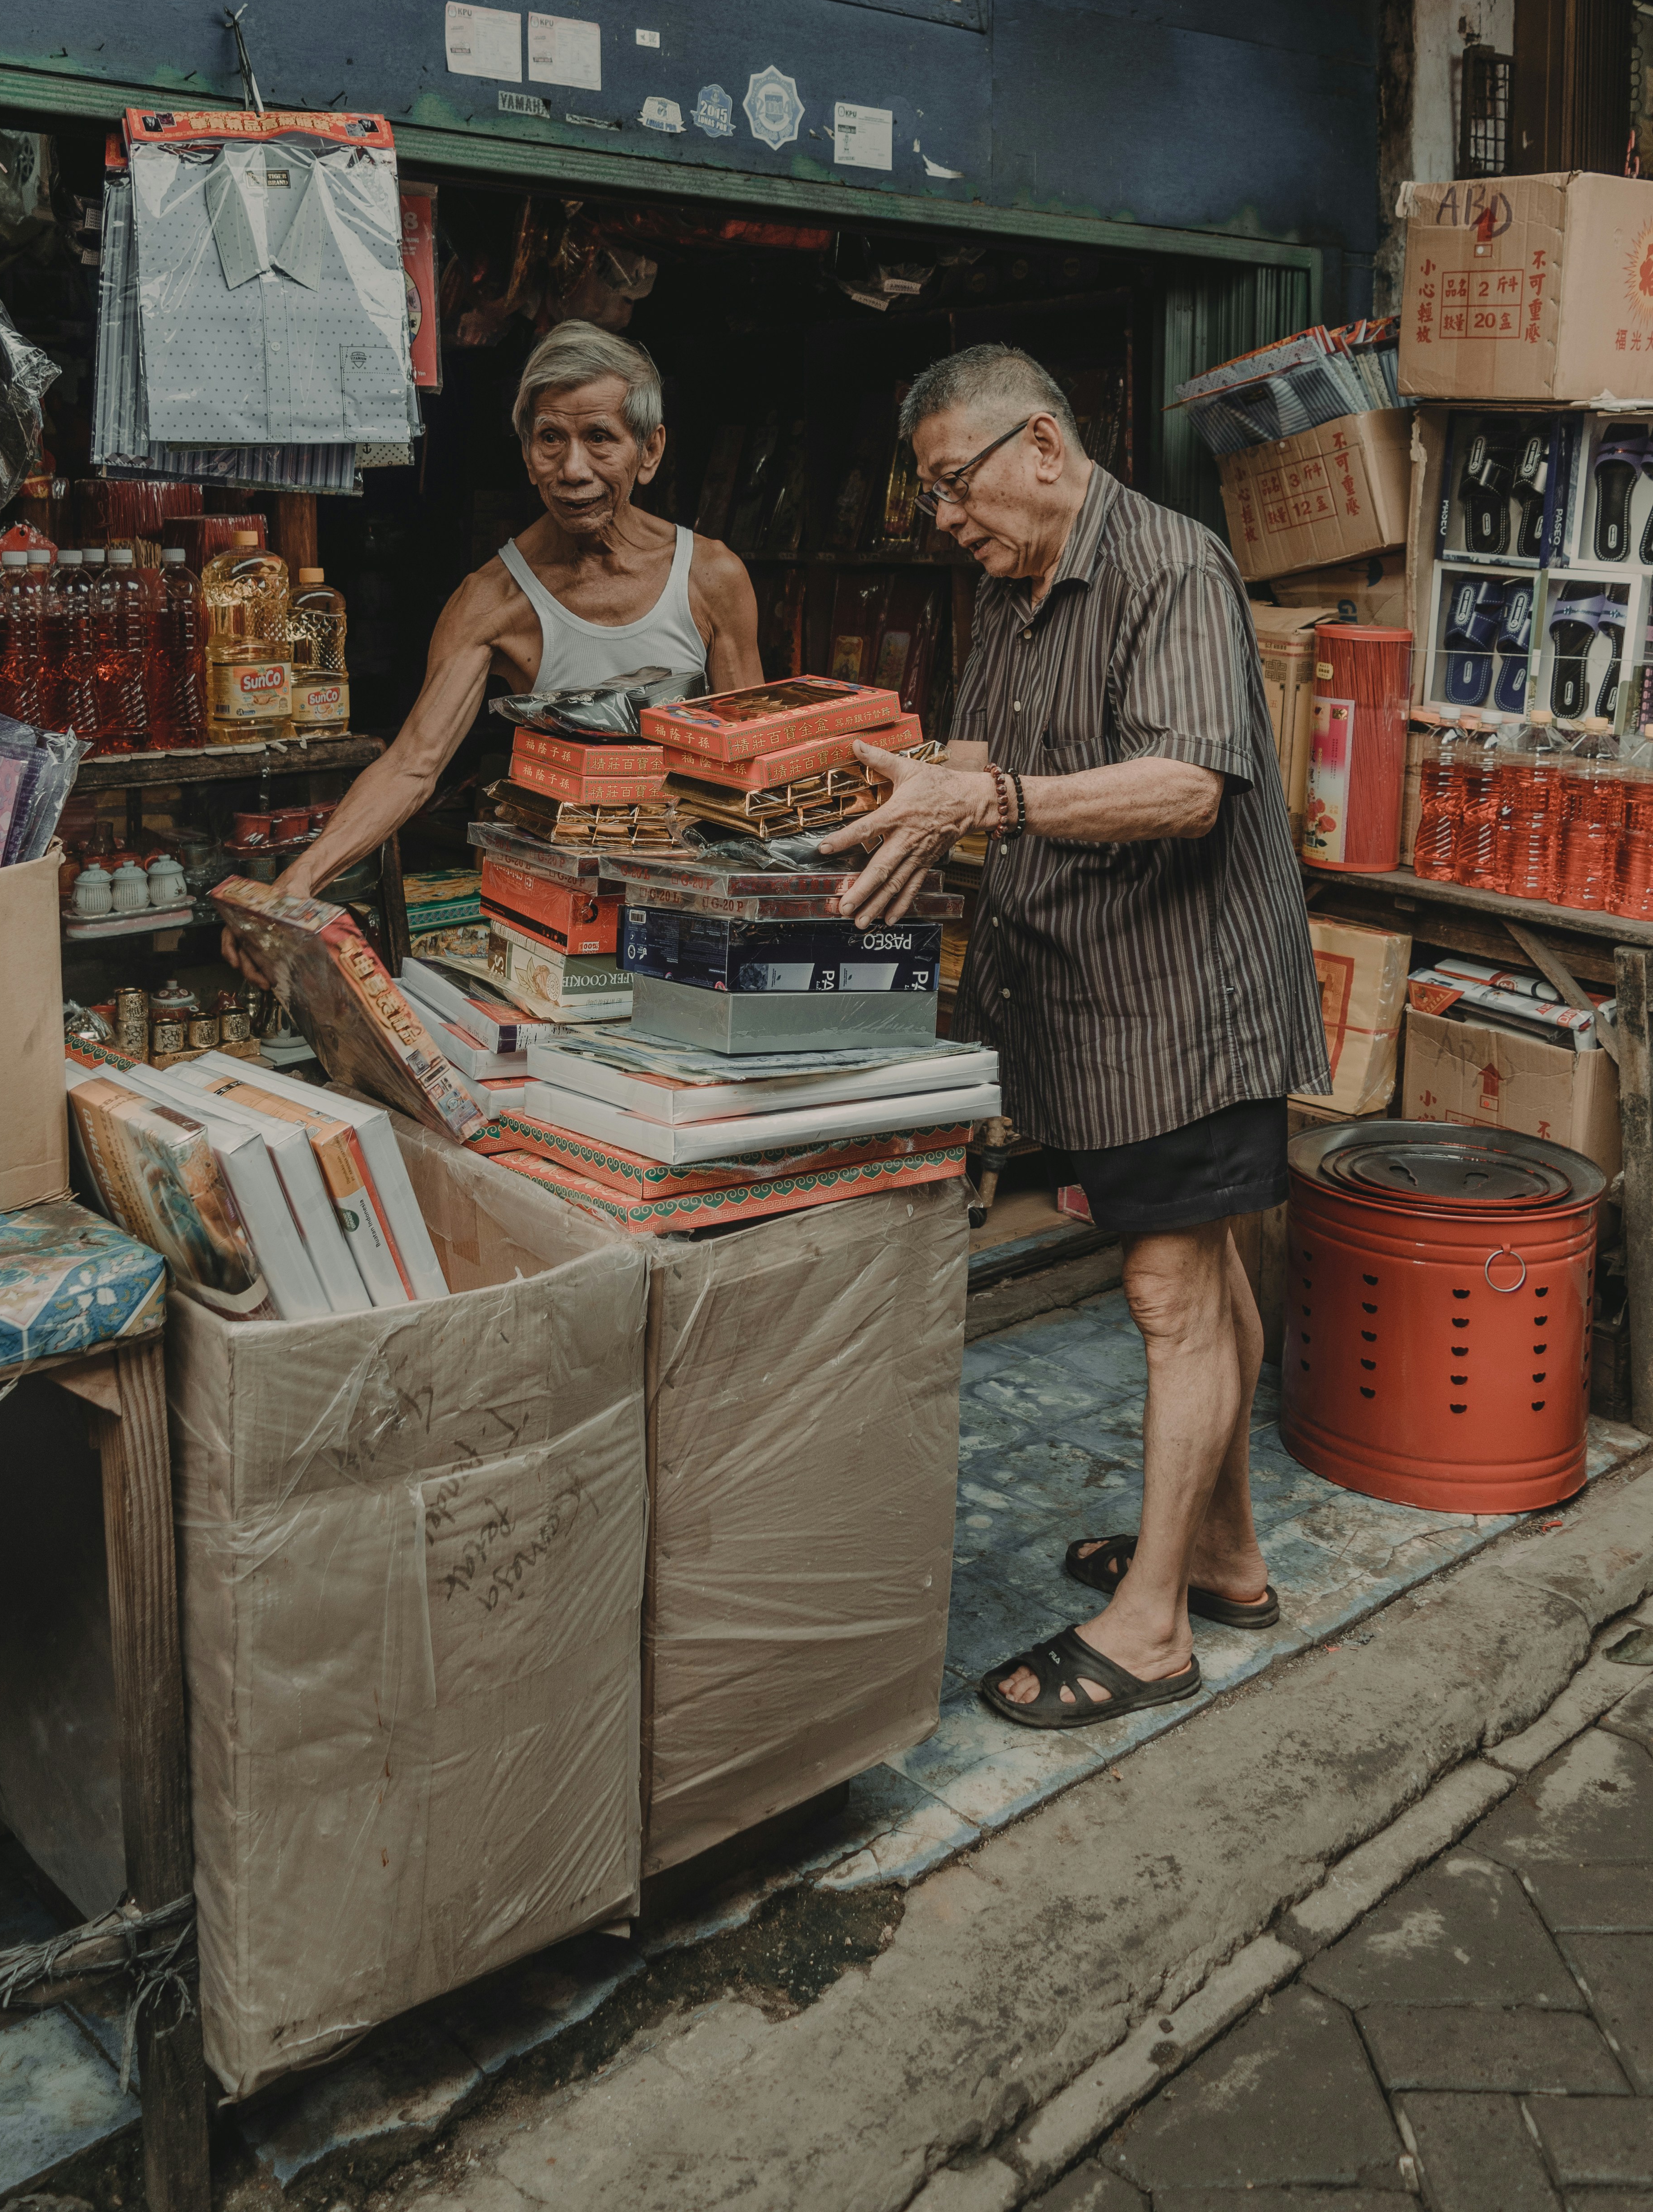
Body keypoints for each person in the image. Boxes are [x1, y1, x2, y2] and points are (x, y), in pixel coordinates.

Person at [820, 343, 1330, 1733]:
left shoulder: (1171, 567)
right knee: (1202, 1272)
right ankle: (1223, 1557)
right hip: (1095, 1002)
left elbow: (1184, 786)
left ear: (1041, 446)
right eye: (929, 499)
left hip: (1184, 1003)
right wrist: (910, 783)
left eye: (951, 486)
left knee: (1171, 1296)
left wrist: (983, 809)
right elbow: (999, 763)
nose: (944, 520)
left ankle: (1154, 1624)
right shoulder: (1020, 591)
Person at [252, 321, 762, 911]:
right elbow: (414, 766)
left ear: (649, 451)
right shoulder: (492, 600)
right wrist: (302, 878)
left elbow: (752, 766)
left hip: (685, 902)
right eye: (551, 439)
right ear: (527, 457)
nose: (572, 470)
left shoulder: (711, 578)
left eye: (600, 437)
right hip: (558, 908)